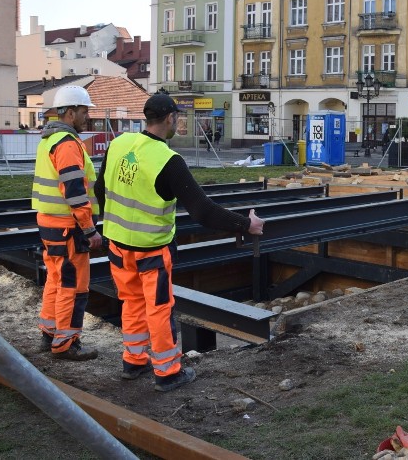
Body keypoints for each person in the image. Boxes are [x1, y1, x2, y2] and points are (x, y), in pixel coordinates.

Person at [94, 94, 264, 392]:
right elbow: (203, 211)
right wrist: (246, 224)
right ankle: (168, 372)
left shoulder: (118, 144)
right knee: (159, 309)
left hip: (118, 245)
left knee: (131, 303)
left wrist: (112, 226)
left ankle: (133, 362)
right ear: (171, 118)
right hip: (151, 251)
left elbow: (100, 189)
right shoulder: (168, 160)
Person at [32, 84, 103, 360]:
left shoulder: (48, 140)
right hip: (68, 226)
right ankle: (66, 343)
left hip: (49, 222)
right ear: (71, 112)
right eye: (85, 111)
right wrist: (89, 228)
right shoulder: (68, 144)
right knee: (74, 286)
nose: (88, 117)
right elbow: (74, 191)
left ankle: (49, 333)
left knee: (55, 279)